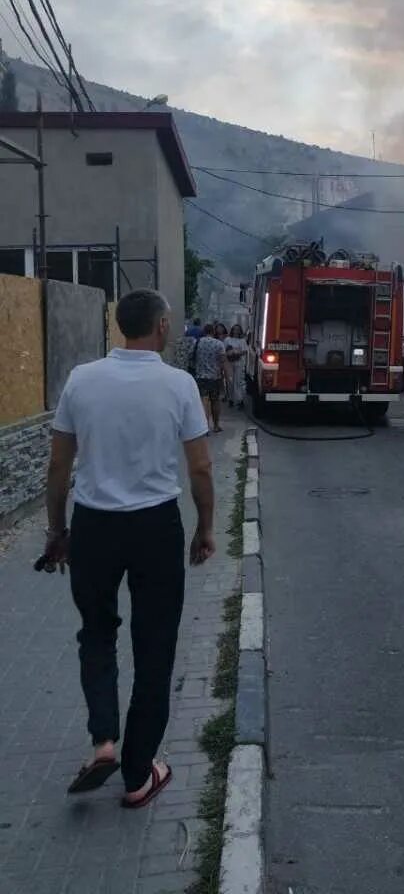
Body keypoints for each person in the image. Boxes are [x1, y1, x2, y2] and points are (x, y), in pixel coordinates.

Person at [41, 289, 215, 808]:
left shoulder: (82, 380)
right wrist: (205, 527)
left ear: (119, 326)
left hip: (94, 526)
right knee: (155, 646)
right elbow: (201, 468)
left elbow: (58, 468)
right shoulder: (178, 384)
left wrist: (57, 531)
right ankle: (139, 774)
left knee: (96, 632)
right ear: (162, 326)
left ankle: (104, 741)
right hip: (156, 528)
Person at [194, 324, 227, 433]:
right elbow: (223, 361)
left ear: (204, 331)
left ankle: (205, 427)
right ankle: (216, 425)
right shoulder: (219, 344)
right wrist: (225, 376)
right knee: (215, 401)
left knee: (204, 400)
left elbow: (192, 357)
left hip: (200, 376)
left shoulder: (197, 342)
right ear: (213, 331)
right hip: (215, 377)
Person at [225, 325, 248, 407]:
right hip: (229, 363)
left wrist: (237, 353)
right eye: (234, 329)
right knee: (230, 382)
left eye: (238, 330)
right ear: (232, 330)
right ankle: (231, 399)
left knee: (238, 382)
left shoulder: (242, 341)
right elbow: (224, 350)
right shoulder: (228, 339)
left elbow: (245, 351)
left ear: (240, 331)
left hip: (238, 363)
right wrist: (229, 353)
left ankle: (240, 400)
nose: (236, 331)